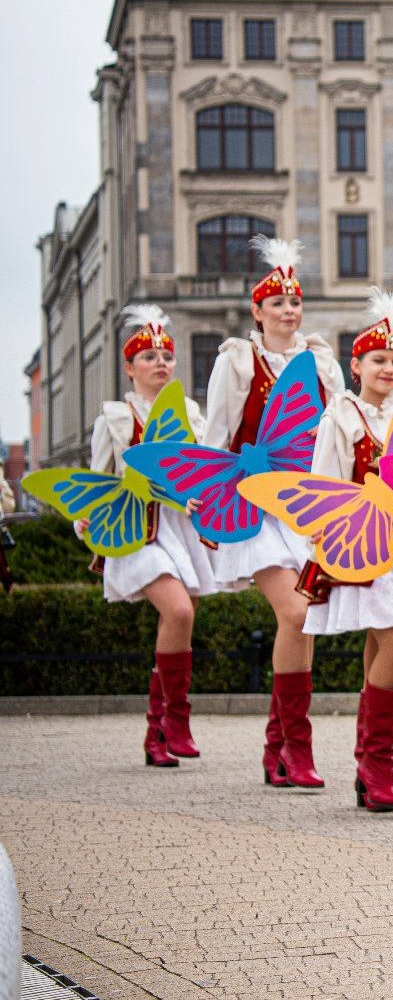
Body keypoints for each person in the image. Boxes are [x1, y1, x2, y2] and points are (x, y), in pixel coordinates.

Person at [298, 289, 393, 811]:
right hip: (358, 543)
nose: (388, 369)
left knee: (383, 642)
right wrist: (323, 540)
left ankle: (371, 767)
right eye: (378, 360)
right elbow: (322, 483)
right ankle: (375, 765)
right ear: (356, 364)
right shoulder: (339, 416)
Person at [201, 237, 343, 790]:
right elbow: (216, 433)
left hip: (303, 503)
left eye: (296, 301)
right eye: (278, 303)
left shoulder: (320, 362)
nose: (290, 310)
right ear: (257, 311)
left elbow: (331, 434)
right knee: (296, 615)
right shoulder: (239, 359)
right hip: (252, 499)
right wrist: (207, 493)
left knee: (304, 620)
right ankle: (296, 748)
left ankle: (277, 748)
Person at [86, 306, 215, 767]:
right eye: (149, 356)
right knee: (177, 611)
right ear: (129, 367)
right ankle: (177, 718)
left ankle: (156, 731)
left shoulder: (190, 415)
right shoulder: (114, 419)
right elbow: (96, 478)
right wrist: (86, 522)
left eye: (167, 355)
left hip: (182, 528)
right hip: (134, 530)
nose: (160, 362)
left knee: (181, 623)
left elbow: (203, 471)